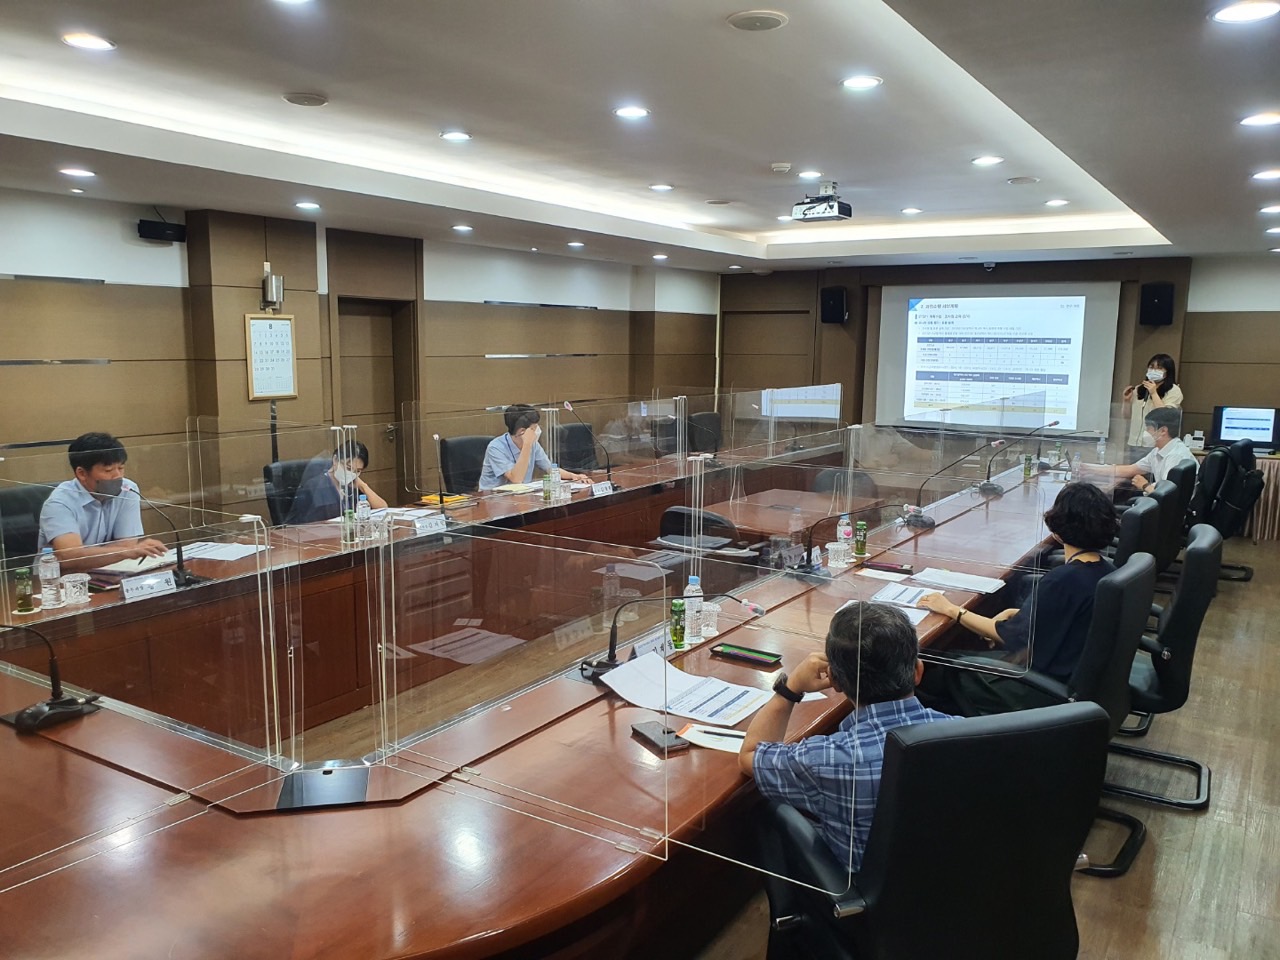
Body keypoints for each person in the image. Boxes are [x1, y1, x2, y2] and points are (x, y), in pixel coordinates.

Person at [738, 602, 953, 870]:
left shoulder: (824, 759)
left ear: (835, 682)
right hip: (952, 880)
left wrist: (790, 689)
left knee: (769, 810)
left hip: (866, 890)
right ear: (918, 671)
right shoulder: (966, 735)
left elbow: (750, 754)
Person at [916, 481, 1118, 716]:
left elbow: (1007, 635)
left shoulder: (1062, 580)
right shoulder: (1106, 570)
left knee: (935, 671)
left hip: (1039, 689)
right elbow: (1057, 617)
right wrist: (1018, 614)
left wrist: (951, 609)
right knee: (956, 656)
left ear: (1059, 525)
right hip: (1069, 675)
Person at [37, 432, 169, 572]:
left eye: (121, 468)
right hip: (57, 578)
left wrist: (120, 551)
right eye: (108, 470)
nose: (117, 476)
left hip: (109, 571)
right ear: (82, 473)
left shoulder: (128, 490)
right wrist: (125, 551)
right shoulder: (59, 503)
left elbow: (126, 545)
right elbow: (70, 557)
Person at [478, 404, 591, 491]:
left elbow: (550, 469)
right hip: (493, 499)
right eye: (534, 428)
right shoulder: (496, 447)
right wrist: (527, 444)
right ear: (522, 431)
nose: (538, 430)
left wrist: (574, 476)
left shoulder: (534, 445)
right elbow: (516, 479)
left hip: (520, 496)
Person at [286, 441, 387, 523]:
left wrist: (363, 486)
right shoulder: (316, 486)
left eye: (357, 471)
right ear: (335, 460)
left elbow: (383, 508)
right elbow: (305, 523)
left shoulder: (353, 485)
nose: (351, 474)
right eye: (348, 468)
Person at [1107, 406, 1196, 494]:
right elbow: (1132, 469)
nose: (1145, 432)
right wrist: (1098, 469)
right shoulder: (1157, 451)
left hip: (1167, 502)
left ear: (1163, 431)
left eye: (1148, 428)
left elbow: (1168, 496)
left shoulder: (1176, 456)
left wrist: (1145, 485)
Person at [1124, 353, 1183, 450]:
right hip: (1135, 442)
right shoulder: (1139, 389)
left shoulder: (1173, 391)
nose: (1154, 371)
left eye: (1159, 368)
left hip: (1155, 444)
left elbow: (1165, 416)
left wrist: (1154, 393)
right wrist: (1126, 401)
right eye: (1151, 367)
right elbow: (1127, 416)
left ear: (1167, 372)